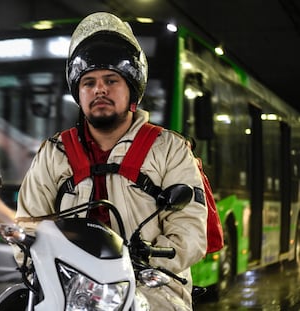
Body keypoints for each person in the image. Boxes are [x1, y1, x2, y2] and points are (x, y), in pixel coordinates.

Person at [15, 12, 207, 310]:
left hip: (152, 290)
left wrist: (146, 260)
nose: (99, 89)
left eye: (111, 80)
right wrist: (33, 258)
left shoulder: (170, 149)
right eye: (88, 82)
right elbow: (28, 224)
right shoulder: (54, 153)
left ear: (132, 88)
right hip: (70, 290)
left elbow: (191, 231)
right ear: (78, 93)